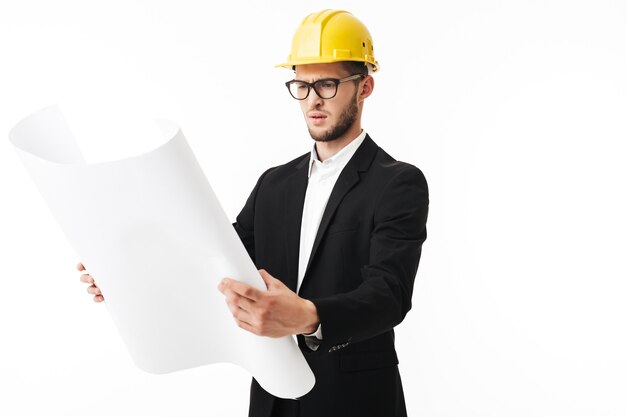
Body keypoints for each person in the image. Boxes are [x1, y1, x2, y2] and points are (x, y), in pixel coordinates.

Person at [79, 9, 428, 417]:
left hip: (355, 400)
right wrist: (128, 276)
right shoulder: (274, 184)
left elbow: (389, 294)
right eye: (302, 84)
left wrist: (309, 317)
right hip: (273, 398)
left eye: (328, 85)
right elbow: (219, 259)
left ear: (364, 86)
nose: (313, 99)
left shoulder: (397, 182)